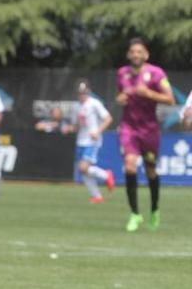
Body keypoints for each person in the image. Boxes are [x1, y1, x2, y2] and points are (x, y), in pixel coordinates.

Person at [116, 37, 175, 232]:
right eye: (133, 52)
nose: (136, 55)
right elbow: (119, 96)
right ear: (128, 55)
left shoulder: (156, 73)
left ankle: (154, 209)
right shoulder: (122, 74)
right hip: (128, 127)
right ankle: (134, 214)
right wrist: (121, 98)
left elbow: (170, 99)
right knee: (130, 166)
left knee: (150, 169)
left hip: (149, 129)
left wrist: (148, 93)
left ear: (146, 54)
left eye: (139, 51)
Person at [69, 81, 115, 204]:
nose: (82, 95)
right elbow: (77, 125)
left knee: (83, 167)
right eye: (80, 93)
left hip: (92, 140)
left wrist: (98, 131)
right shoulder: (76, 107)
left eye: (84, 92)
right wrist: (70, 128)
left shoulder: (94, 104)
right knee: (84, 170)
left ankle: (106, 175)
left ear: (88, 92)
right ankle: (97, 196)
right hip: (81, 141)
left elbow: (108, 119)